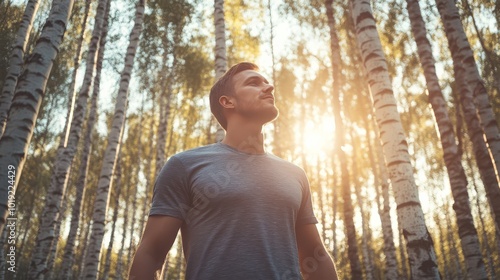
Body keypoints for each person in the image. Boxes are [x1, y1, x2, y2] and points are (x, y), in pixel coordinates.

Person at [129, 62, 338, 279]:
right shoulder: (185, 166)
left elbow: (316, 257)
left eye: (267, 82)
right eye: (254, 83)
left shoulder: (295, 175)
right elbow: (152, 254)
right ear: (227, 101)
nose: (269, 88)